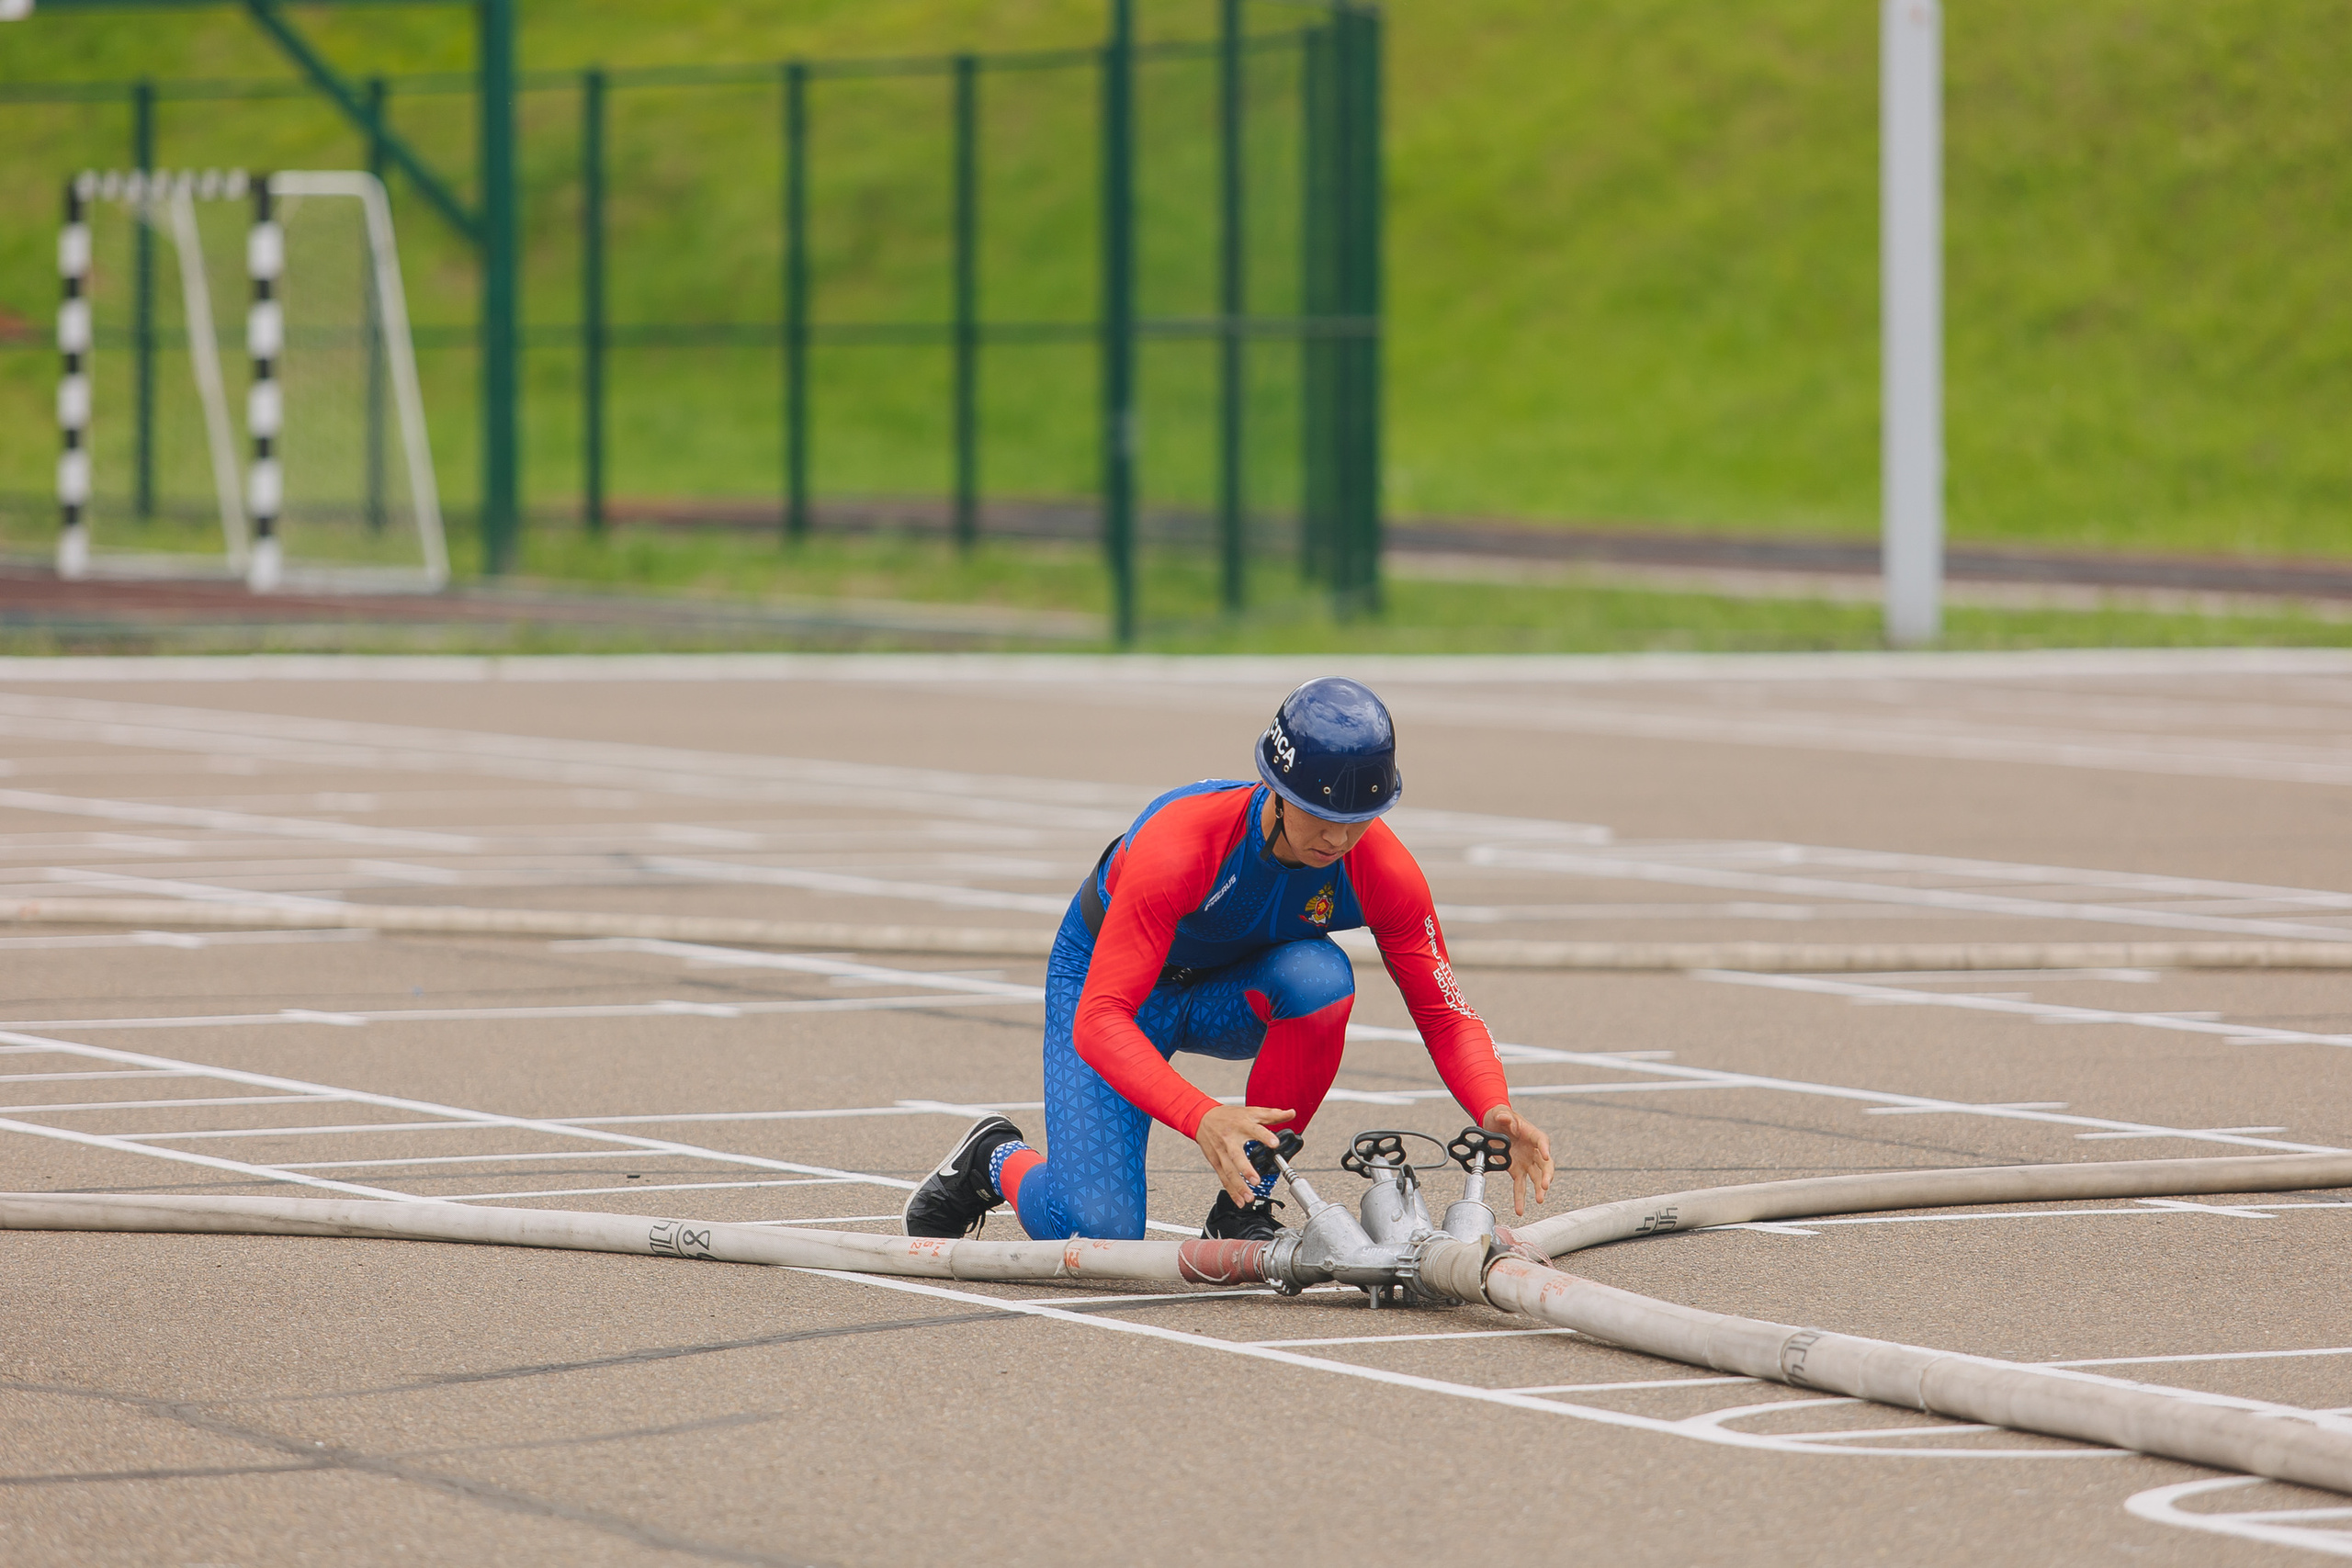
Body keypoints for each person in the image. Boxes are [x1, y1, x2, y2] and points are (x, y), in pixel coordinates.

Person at [903, 676, 1555, 1243]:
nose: (1337, 837)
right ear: (1278, 788)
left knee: (1322, 979)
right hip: (1114, 992)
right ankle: (992, 1157)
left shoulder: (1382, 868)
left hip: (1227, 993)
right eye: (1320, 813)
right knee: (1096, 1233)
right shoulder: (1181, 845)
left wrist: (1492, 1105)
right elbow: (1100, 1020)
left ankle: (1245, 1203)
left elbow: (1446, 1012)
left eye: (1359, 818)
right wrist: (1202, 1116)